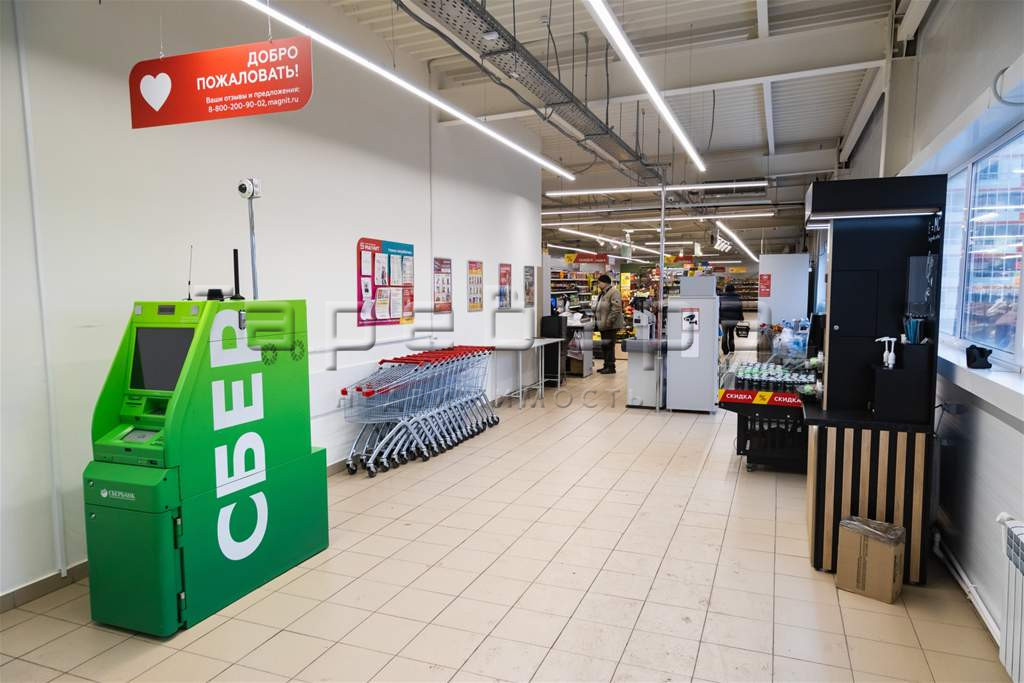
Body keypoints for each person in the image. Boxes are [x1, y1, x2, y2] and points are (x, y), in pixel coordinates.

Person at [594, 273, 625, 373]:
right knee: (604, 346)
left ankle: (611, 367)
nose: (598, 284)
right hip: (602, 324)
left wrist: (609, 321)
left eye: (599, 282)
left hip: (610, 325)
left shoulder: (614, 292)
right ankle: (606, 365)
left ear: (605, 283)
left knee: (609, 346)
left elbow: (616, 308)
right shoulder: (602, 293)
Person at [719, 283, 744, 354]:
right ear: (734, 290)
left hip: (724, 319)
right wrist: (741, 317)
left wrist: (719, 318)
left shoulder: (721, 298)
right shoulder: (737, 297)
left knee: (724, 334)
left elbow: (719, 309)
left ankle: (725, 350)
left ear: (726, 290)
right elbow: (740, 308)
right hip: (734, 319)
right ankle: (732, 348)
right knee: (731, 333)